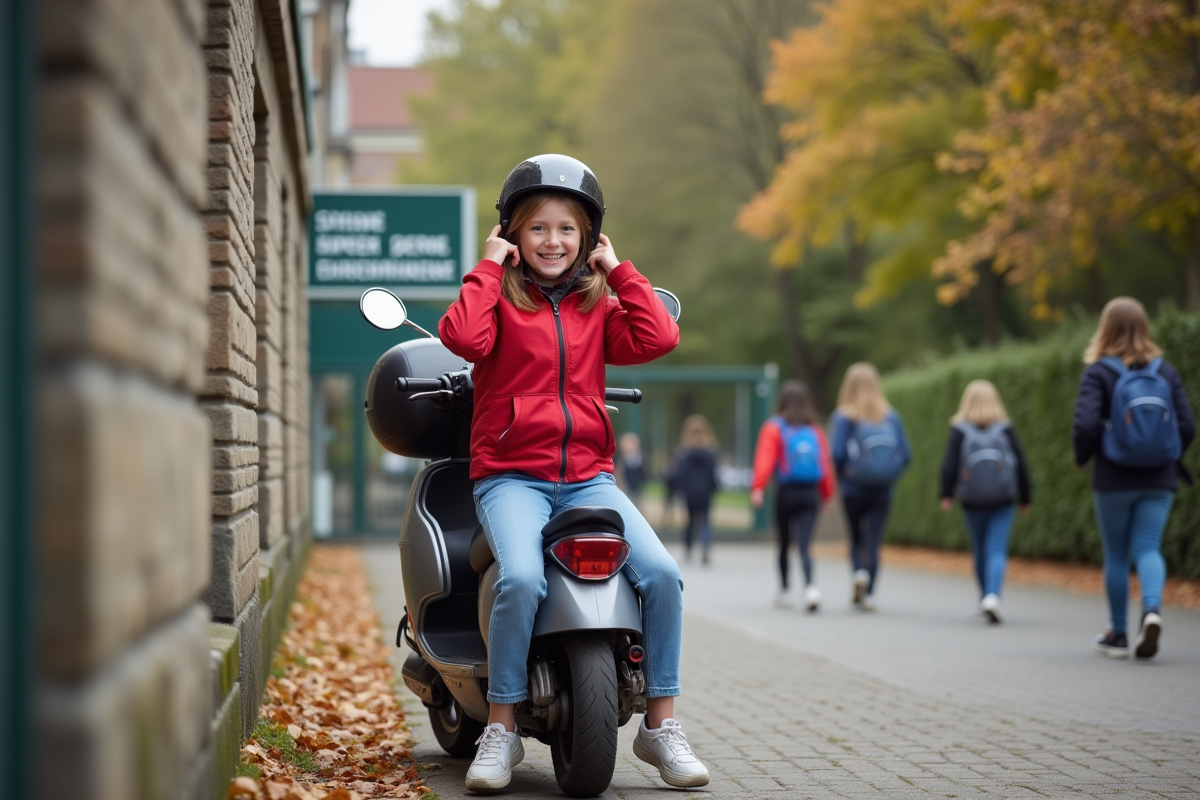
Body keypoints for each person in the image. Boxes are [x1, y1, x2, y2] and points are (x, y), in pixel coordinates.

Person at [438, 154, 709, 791]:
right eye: (537, 229)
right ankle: (500, 730)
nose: (553, 241)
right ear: (512, 234)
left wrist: (620, 272)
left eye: (568, 229)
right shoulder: (499, 302)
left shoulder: (597, 306)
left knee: (664, 576)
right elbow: (463, 339)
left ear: (587, 238)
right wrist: (486, 266)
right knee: (522, 579)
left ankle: (660, 726)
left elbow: (659, 337)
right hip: (511, 478)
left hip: (588, 478)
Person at [1072, 297, 1194, 660]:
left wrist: (1084, 457)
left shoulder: (1098, 372)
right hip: (1159, 477)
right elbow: (1187, 425)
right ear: (1145, 326)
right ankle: (1152, 611)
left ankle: (1119, 634)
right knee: (1148, 547)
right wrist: (1167, 454)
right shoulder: (1165, 372)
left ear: (1105, 327)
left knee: (1116, 553)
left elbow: (1085, 424)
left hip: (1113, 476)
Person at [938, 380, 1032, 624]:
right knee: (996, 549)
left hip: (972, 500)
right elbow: (1020, 463)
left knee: (980, 550)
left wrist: (946, 494)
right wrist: (1025, 496)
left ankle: (984, 597)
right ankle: (993, 595)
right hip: (1003, 498)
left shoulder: (959, 429)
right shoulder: (1005, 429)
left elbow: (949, 466)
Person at [830, 363, 911, 611]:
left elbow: (837, 453)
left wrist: (845, 478)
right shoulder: (891, 416)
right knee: (873, 541)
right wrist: (889, 474)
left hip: (853, 489)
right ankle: (871, 593)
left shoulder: (844, 416)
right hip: (882, 491)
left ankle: (858, 574)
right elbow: (906, 455)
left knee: (856, 539)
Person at [751, 381, 836, 611]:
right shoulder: (815, 429)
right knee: (805, 545)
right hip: (811, 494)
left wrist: (758, 487)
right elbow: (824, 465)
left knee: (784, 543)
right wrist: (826, 495)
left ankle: (784, 590)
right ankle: (811, 589)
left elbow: (765, 458)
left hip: (786, 493)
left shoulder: (774, 427)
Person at [671, 415, 720, 564]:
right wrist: (713, 489)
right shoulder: (711, 453)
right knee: (705, 521)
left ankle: (688, 549)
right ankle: (705, 547)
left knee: (690, 522)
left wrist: (680, 489)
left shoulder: (684, 453)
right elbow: (714, 474)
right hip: (705, 492)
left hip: (690, 493)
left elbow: (680, 474)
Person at [617, 431, 648, 505]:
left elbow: (643, 472)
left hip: (638, 484)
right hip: (627, 485)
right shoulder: (623, 459)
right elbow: (620, 473)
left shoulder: (640, 457)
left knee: (637, 501)